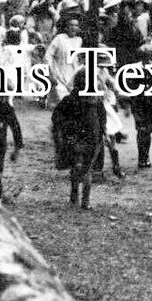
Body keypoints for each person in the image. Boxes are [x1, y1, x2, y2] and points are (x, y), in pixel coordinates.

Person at [52, 69, 106, 211]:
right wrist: (102, 135)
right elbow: (102, 120)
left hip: (74, 138)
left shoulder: (70, 99)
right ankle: (85, 201)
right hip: (92, 139)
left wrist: (64, 131)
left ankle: (74, 195)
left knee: (76, 166)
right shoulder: (96, 100)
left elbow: (56, 116)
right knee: (87, 170)